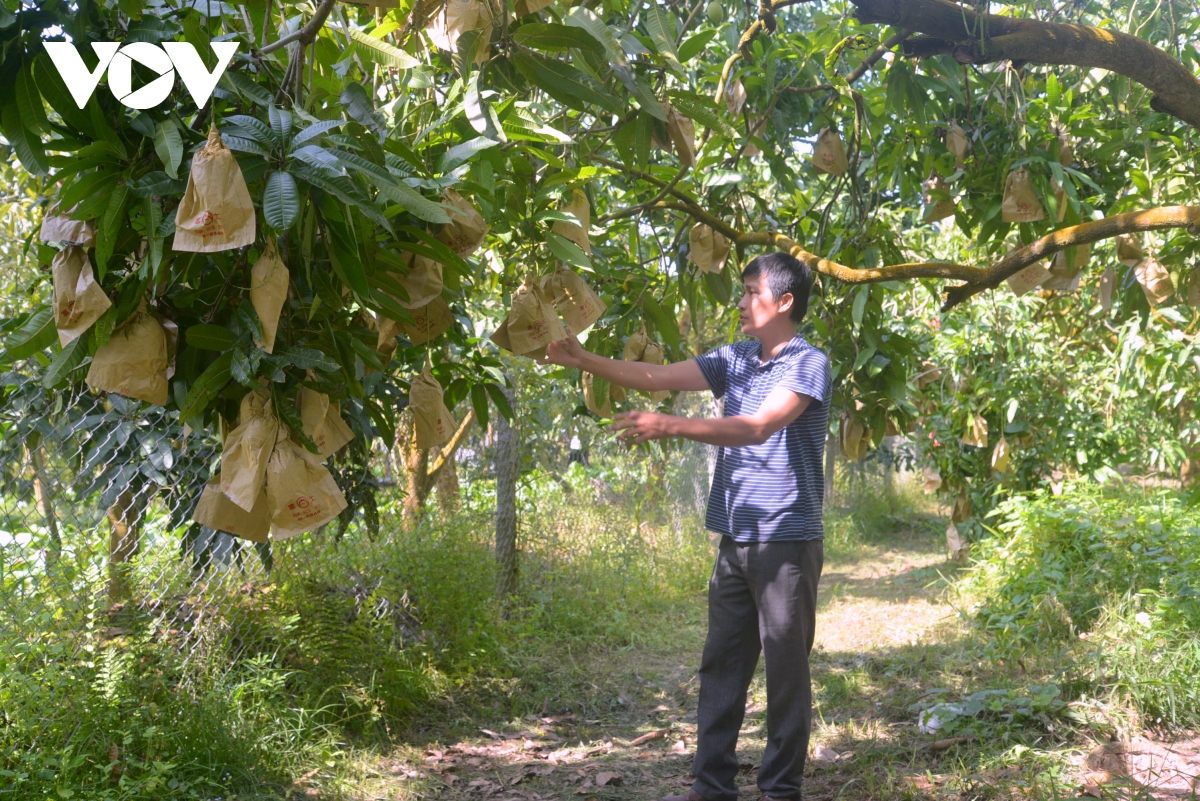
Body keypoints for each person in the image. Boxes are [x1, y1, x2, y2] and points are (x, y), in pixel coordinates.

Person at [543, 251, 831, 801]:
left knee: (785, 671)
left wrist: (670, 424)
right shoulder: (736, 358)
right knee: (722, 663)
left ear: (784, 301)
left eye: (751, 292)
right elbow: (658, 375)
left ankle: (780, 791)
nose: (740, 302)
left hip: (785, 541)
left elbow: (756, 427)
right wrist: (584, 359)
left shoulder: (807, 363)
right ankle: (711, 786)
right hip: (735, 537)